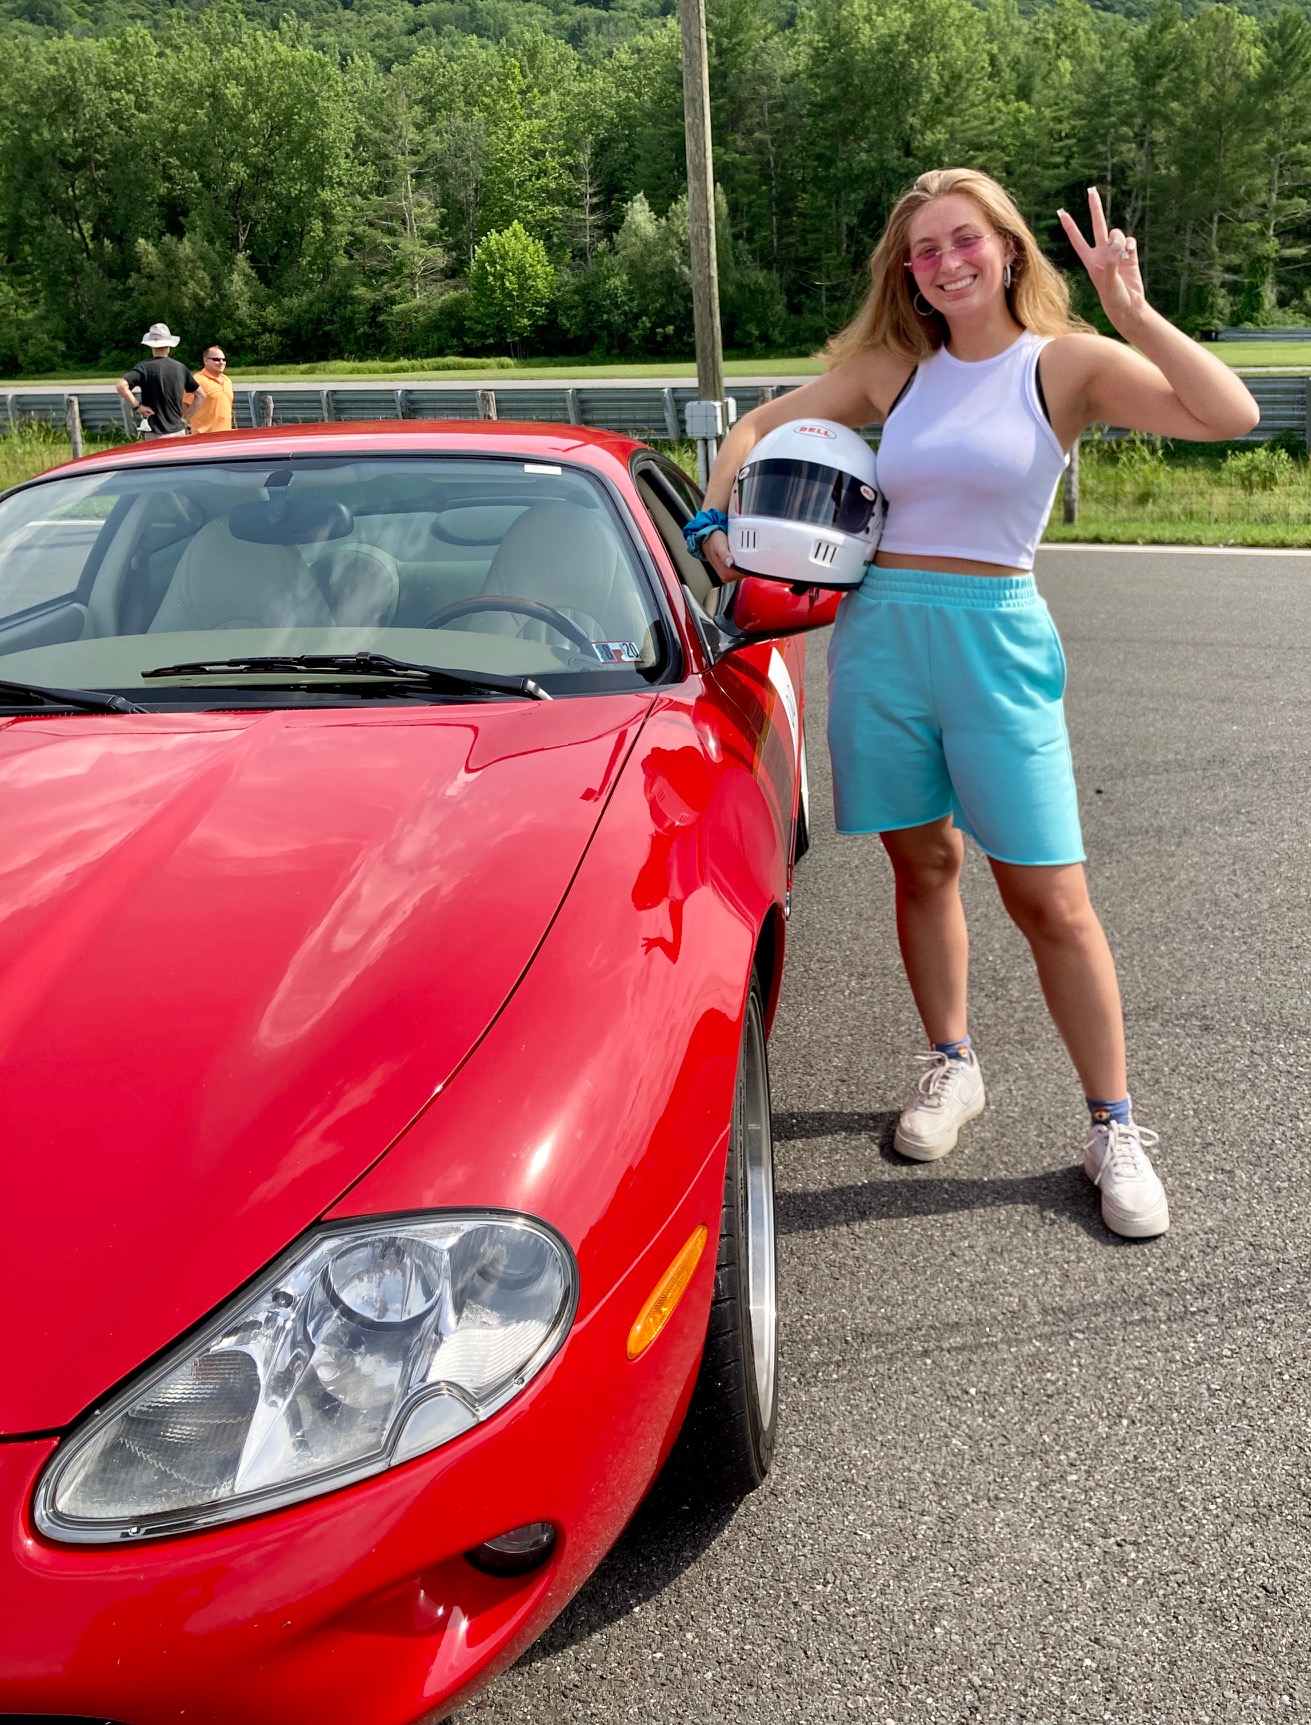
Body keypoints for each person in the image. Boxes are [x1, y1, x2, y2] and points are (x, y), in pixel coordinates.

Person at [686, 172, 1258, 1239]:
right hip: (882, 641)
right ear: (906, 272)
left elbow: (1230, 416)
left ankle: (1113, 1126)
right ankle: (952, 1064)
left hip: (995, 636)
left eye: (962, 241)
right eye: (922, 251)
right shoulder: (895, 371)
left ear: (1006, 250)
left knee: (1052, 900)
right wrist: (709, 524)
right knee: (923, 863)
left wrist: (1132, 312)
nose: (943, 263)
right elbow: (757, 424)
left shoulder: (1065, 365)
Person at [115, 323, 199, 439]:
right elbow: (201, 395)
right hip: (178, 431)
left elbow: (121, 386)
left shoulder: (144, 367)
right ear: (169, 346)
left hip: (155, 432)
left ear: (151, 346)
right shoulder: (180, 368)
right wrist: (185, 418)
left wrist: (138, 406)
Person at [184, 344, 235, 434]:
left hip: (226, 435)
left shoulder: (227, 380)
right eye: (216, 359)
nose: (221, 362)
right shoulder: (197, 380)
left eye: (224, 359)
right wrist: (187, 425)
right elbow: (184, 404)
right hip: (204, 436)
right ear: (206, 361)